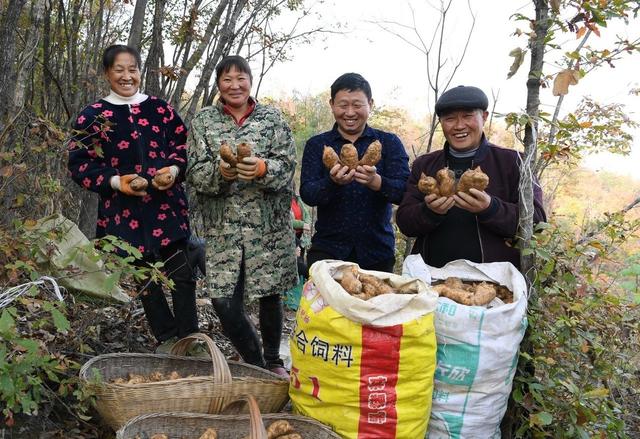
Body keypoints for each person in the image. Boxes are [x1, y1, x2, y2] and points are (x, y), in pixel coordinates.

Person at [68, 44, 199, 350]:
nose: (127, 76)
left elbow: (183, 146)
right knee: (146, 278)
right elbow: (79, 164)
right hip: (122, 213)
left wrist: (174, 170)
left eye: (133, 69)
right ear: (107, 74)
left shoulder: (160, 109)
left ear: (140, 71)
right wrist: (115, 181)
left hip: (167, 207)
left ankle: (191, 339)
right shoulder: (94, 116)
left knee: (182, 272)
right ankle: (167, 339)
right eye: (119, 70)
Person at [186, 55, 297, 377]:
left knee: (270, 293)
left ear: (251, 81)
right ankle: (254, 361)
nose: (234, 85)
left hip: (269, 226)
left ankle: (274, 360)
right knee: (223, 299)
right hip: (223, 229)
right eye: (227, 79)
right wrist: (219, 173)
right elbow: (195, 172)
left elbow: (287, 166)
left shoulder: (273, 119)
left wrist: (263, 168)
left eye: (241, 78)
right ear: (218, 84)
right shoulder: (204, 122)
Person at [396, 85, 547, 270]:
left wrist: (491, 208)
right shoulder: (425, 165)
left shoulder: (514, 162)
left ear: (484, 117)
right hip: (432, 279)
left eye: (468, 116)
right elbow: (405, 222)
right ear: (440, 122)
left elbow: (537, 224)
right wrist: (429, 212)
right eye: (450, 118)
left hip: (494, 283)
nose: (459, 126)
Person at [300, 73, 410, 273]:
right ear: (332, 104)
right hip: (328, 251)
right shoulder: (318, 145)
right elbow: (307, 193)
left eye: (357, 105)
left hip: (377, 253)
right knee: (323, 305)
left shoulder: (388, 143)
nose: (350, 112)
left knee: (375, 304)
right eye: (343, 105)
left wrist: (377, 183)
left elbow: (405, 191)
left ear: (370, 104)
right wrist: (332, 182)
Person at [290, 186, 311, 278]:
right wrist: (302, 224)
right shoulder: (282, 201)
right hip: (290, 237)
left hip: (301, 236)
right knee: (296, 264)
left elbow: (306, 214)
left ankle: (301, 283)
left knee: (300, 259)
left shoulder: (297, 199)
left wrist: (307, 224)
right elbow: (287, 221)